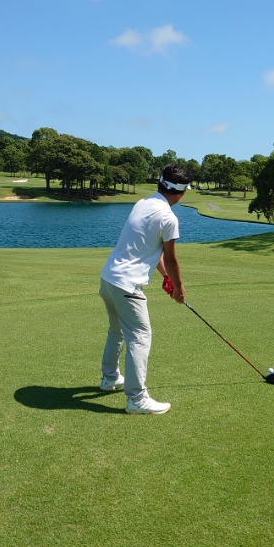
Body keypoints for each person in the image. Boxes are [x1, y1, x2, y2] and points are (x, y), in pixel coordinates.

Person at [98, 164, 193, 415]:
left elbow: (152, 248)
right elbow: (170, 258)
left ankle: (109, 378)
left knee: (117, 330)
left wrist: (166, 278)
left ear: (159, 183)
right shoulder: (169, 218)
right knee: (140, 336)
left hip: (109, 278)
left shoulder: (143, 203)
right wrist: (179, 288)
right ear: (181, 192)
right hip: (128, 285)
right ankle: (137, 399)